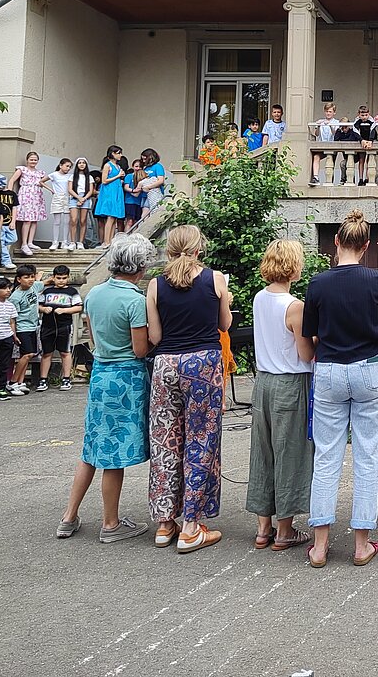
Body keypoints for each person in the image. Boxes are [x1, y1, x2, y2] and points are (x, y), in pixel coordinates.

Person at [300, 210, 378, 568]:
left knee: (326, 455)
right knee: (367, 455)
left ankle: (320, 545)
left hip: (330, 368)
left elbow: (309, 336)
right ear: (366, 246)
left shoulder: (317, 284)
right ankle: (361, 543)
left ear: (336, 242)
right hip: (370, 368)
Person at [56, 234, 157, 543]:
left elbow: (94, 335)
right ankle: (110, 523)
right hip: (126, 378)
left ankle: (69, 516)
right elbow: (140, 349)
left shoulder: (95, 293)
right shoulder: (135, 300)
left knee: (92, 447)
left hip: (100, 373)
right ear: (139, 267)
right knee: (114, 452)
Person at [146, 225, 232, 553]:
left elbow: (155, 336)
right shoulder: (214, 279)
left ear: (169, 250)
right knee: (201, 439)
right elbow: (224, 324)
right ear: (198, 250)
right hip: (203, 363)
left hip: (166, 364)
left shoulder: (155, 285)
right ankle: (192, 525)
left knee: (165, 441)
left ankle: (165, 523)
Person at [246, 239, 314, 551]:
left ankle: (263, 527)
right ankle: (285, 529)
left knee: (263, 451)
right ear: (293, 267)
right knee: (290, 452)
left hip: (263, 382)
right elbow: (305, 354)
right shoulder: (295, 306)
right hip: (290, 383)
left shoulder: (259, 298)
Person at [38, 266, 83, 393]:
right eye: (58, 278)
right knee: (47, 353)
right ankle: (43, 379)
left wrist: (64, 310)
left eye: (64, 278)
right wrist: (43, 309)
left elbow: (79, 307)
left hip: (64, 326)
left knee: (65, 352)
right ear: (53, 278)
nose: (61, 281)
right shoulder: (47, 291)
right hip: (47, 326)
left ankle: (66, 378)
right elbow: (38, 305)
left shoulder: (72, 291)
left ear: (68, 278)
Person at [6, 264, 40, 395]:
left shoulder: (34, 287)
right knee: (27, 354)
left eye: (32, 276)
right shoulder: (15, 297)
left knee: (27, 355)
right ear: (19, 279)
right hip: (22, 328)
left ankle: (20, 382)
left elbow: (44, 282)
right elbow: (12, 318)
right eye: (26, 277)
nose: (30, 279)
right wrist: (14, 334)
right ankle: (12, 382)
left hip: (33, 326)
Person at [95, 146, 127, 245]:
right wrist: (118, 176)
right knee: (110, 217)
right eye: (118, 153)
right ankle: (106, 241)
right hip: (109, 192)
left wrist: (120, 177)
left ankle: (111, 240)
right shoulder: (107, 165)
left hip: (117, 191)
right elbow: (104, 180)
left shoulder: (118, 166)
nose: (120, 155)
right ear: (113, 153)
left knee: (114, 217)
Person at [67, 158, 95, 250]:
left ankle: (80, 242)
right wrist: (79, 198)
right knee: (73, 220)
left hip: (85, 198)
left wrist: (83, 199)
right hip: (74, 197)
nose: (82, 164)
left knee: (83, 221)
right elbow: (70, 189)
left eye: (83, 163)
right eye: (80, 163)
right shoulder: (72, 177)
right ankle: (72, 242)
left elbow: (91, 191)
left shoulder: (90, 177)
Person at [47, 158, 74, 249]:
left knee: (67, 221)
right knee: (57, 221)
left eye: (69, 167)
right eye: (67, 166)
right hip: (57, 197)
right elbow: (41, 181)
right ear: (60, 165)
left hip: (67, 197)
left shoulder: (70, 176)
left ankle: (65, 241)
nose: (68, 168)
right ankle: (55, 242)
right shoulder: (54, 174)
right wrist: (51, 190)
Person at [137, 149, 170, 217]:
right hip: (145, 194)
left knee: (145, 215)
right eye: (142, 159)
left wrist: (148, 187)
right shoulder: (145, 168)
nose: (143, 161)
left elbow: (160, 180)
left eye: (145, 159)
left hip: (154, 194)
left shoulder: (158, 166)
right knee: (145, 214)